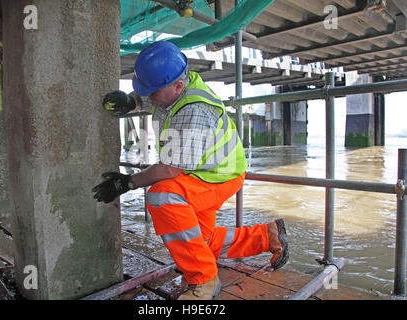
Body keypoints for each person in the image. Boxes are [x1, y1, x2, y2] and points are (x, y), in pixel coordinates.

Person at [92, 41, 288, 300]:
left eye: (152, 91)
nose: (149, 97)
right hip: (204, 171)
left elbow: (170, 170)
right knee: (197, 242)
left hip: (218, 176)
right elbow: (159, 101)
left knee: (162, 197)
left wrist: (128, 182)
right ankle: (267, 236)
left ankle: (205, 280)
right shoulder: (178, 87)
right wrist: (132, 102)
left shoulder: (193, 110)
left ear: (178, 86)